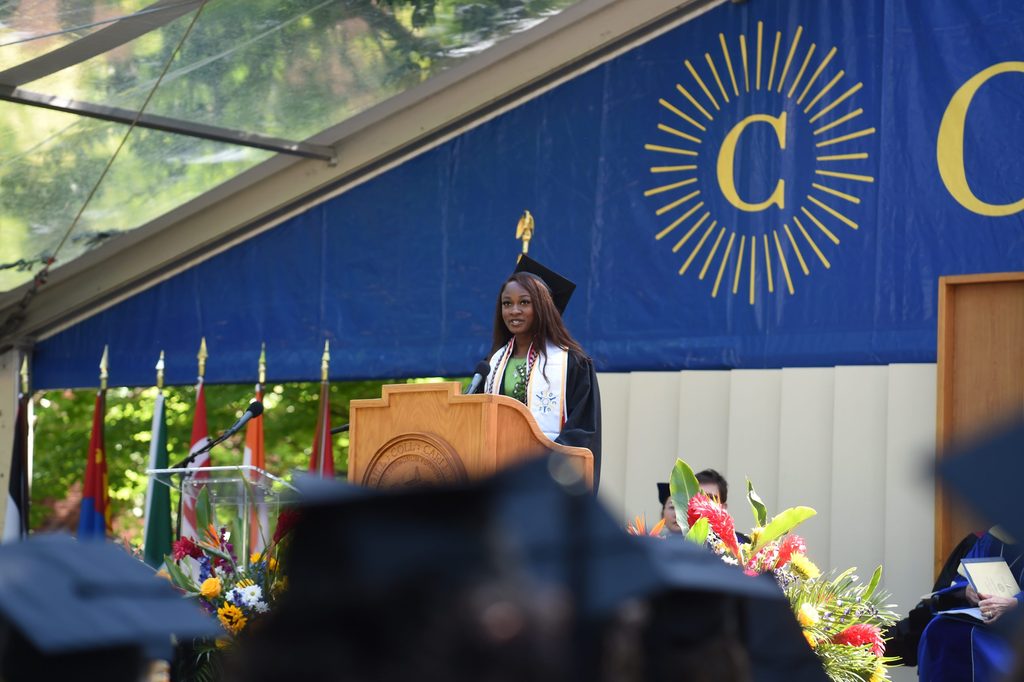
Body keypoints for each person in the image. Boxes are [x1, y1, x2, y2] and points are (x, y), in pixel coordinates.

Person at [482, 255, 602, 488]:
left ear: (543, 306)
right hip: (499, 475)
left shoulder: (572, 363)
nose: (514, 311)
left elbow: (583, 430)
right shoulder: (492, 364)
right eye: (507, 304)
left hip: (548, 480)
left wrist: (545, 465)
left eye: (524, 302)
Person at [917, 527, 1024, 681]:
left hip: (1017, 626)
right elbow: (962, 579)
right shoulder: (993, 536)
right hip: (982, 613)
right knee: (939, 627)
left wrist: (1014, 603)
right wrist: (967, 590)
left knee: (977, 639)